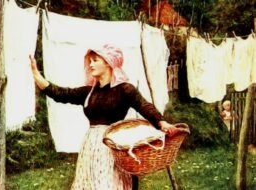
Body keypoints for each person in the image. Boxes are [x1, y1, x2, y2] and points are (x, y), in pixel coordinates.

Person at [30, 44, 178, 190]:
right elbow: (60, 94)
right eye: (90, 61)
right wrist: (36, 75)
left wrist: (162, 122)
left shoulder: (125, 89)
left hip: (114, 146)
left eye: (95, 60)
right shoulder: (88, 92)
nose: (91, 64)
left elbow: (144, 106)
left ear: (108, 62)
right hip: (91, 147)